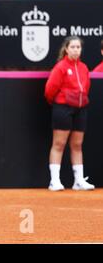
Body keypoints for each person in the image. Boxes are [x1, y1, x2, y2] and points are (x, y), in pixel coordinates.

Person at [44, 36, 95, 191]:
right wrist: (60, 101)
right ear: (66, 49)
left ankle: (78, 181)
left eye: (78, 47)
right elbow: (49, 90)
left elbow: (86, 88)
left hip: (80, 108)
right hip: (63, 108)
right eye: (72, 47)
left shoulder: (84, 68)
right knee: (59, 144)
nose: (76, 50)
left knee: (77, 145)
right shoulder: (60, 67)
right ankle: (54, 181)